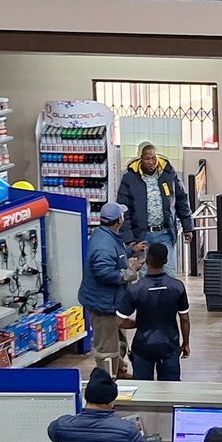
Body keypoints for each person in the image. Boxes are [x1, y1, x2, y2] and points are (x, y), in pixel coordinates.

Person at [118, 240, 191, 382]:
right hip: (169, 346)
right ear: (166, 260)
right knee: (172, 388)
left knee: (143, 388)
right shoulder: (177, 286)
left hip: (143, 347)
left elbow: (118, 321)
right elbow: (185, 318)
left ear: (146, 260)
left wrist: (138, 323)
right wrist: (186, 343)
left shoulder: (136, 289)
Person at [77, 200, 139, 363]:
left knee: (118, 342)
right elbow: (105, 273)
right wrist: (131, 272)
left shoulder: (104, 234)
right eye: (122, 215)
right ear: (119, 220)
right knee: (107, 349)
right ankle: (107, 381)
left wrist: (131, 250)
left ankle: (119, 371)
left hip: (111, 302)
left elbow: (116, 253)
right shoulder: (103, 246)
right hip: (103, 305)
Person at [116, 141, 193, 255]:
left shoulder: (169, 175)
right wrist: (129, 240)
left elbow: (182, 200)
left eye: (153, 158)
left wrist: (188, 227)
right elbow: (124, 210)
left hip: (165, 233)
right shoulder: (129, 178)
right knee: (145, 272)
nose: (151, 162)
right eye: (147, 159)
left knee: (168, 272)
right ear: (140, 158)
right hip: (142, 237)